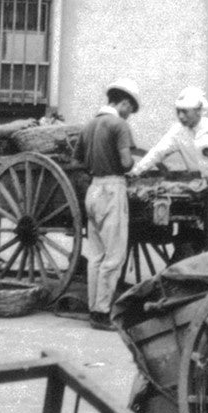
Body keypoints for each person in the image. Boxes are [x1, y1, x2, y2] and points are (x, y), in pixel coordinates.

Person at [73, 78, 141, 329]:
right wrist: (134, 166)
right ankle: (102, 313)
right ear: (124, 102)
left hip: (93, 189)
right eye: (130, 109)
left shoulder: (89, 124)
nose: (130, 115)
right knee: (114, 256)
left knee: (97, 255)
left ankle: (95, 309)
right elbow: (125, 163)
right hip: (113, 189)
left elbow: (77, 160)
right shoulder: (119, 125)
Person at [133, 87, 208, 245]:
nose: (181, 116)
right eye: (178, 112)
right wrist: (136, 171)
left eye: (185, 112)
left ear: (198, 111)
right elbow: (157, 152)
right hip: (197, 188)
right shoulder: (178, 131)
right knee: (192, 234)